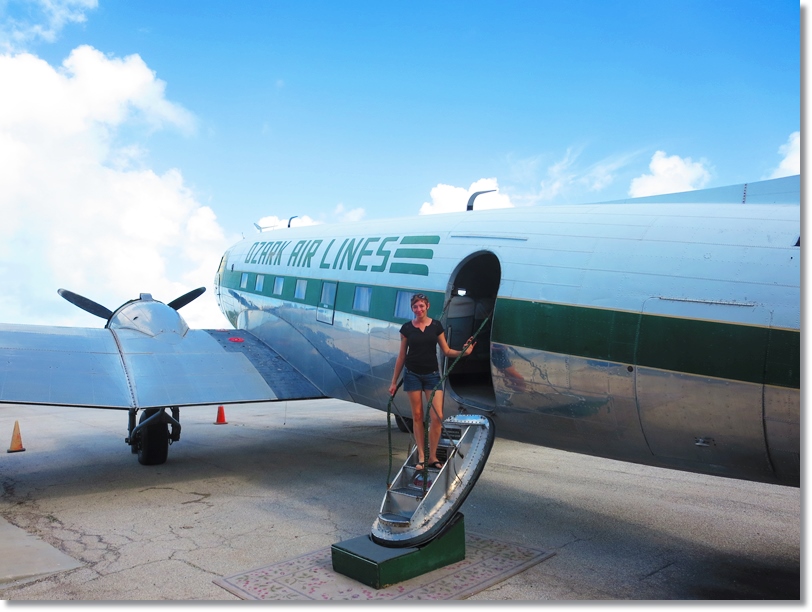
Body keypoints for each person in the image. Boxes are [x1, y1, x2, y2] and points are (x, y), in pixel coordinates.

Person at [389, 293, 475, 471]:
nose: (418, 309)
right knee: (418, 416)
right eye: (415, 307)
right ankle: (422, 456)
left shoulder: (436, 326)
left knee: (437, 417)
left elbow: (446, 350)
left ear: (427, 306)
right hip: (412, 374)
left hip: (432, 375)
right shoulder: (406, 328)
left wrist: (464, 352)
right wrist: (393, 382)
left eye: (421, 306)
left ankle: (432, 456)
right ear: (412, 308)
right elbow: (402, 356)